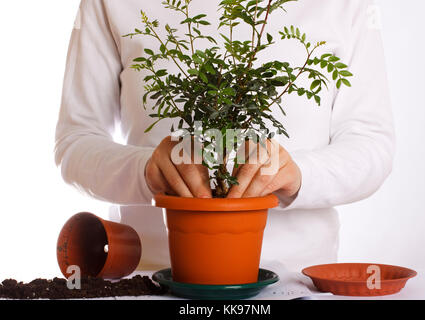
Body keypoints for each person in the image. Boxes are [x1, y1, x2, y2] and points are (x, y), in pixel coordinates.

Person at [55, 0, 394, 271]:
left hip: (302, 280)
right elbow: (75, 141)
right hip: (148, 277)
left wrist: (298, 175)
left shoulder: (348, 5)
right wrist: (146, 170)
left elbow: (372, 143)